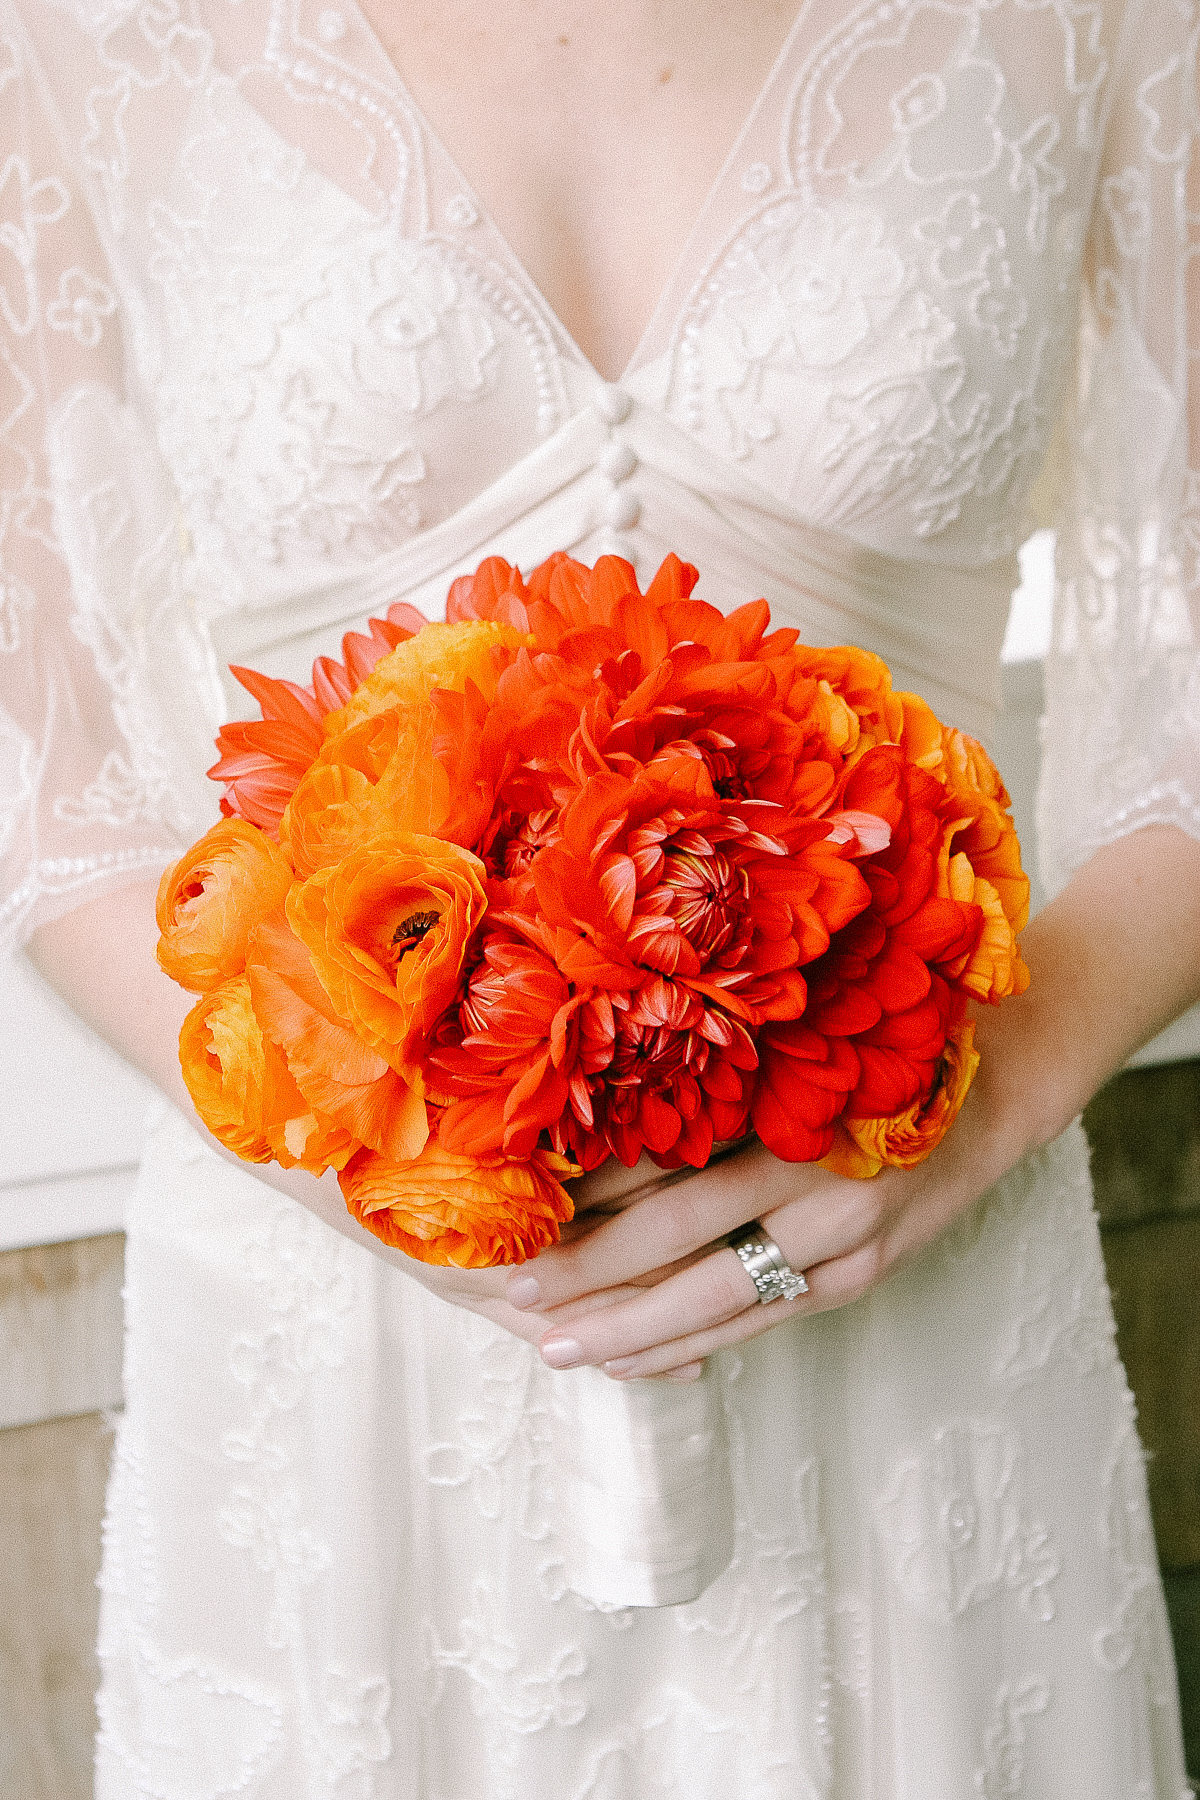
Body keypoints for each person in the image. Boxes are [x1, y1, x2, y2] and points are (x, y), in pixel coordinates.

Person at [2, 0, 1196, 1790]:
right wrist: (384, 1151)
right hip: (341, 1332)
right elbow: (47, 774)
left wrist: (994, 1093)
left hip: (916, 1250)